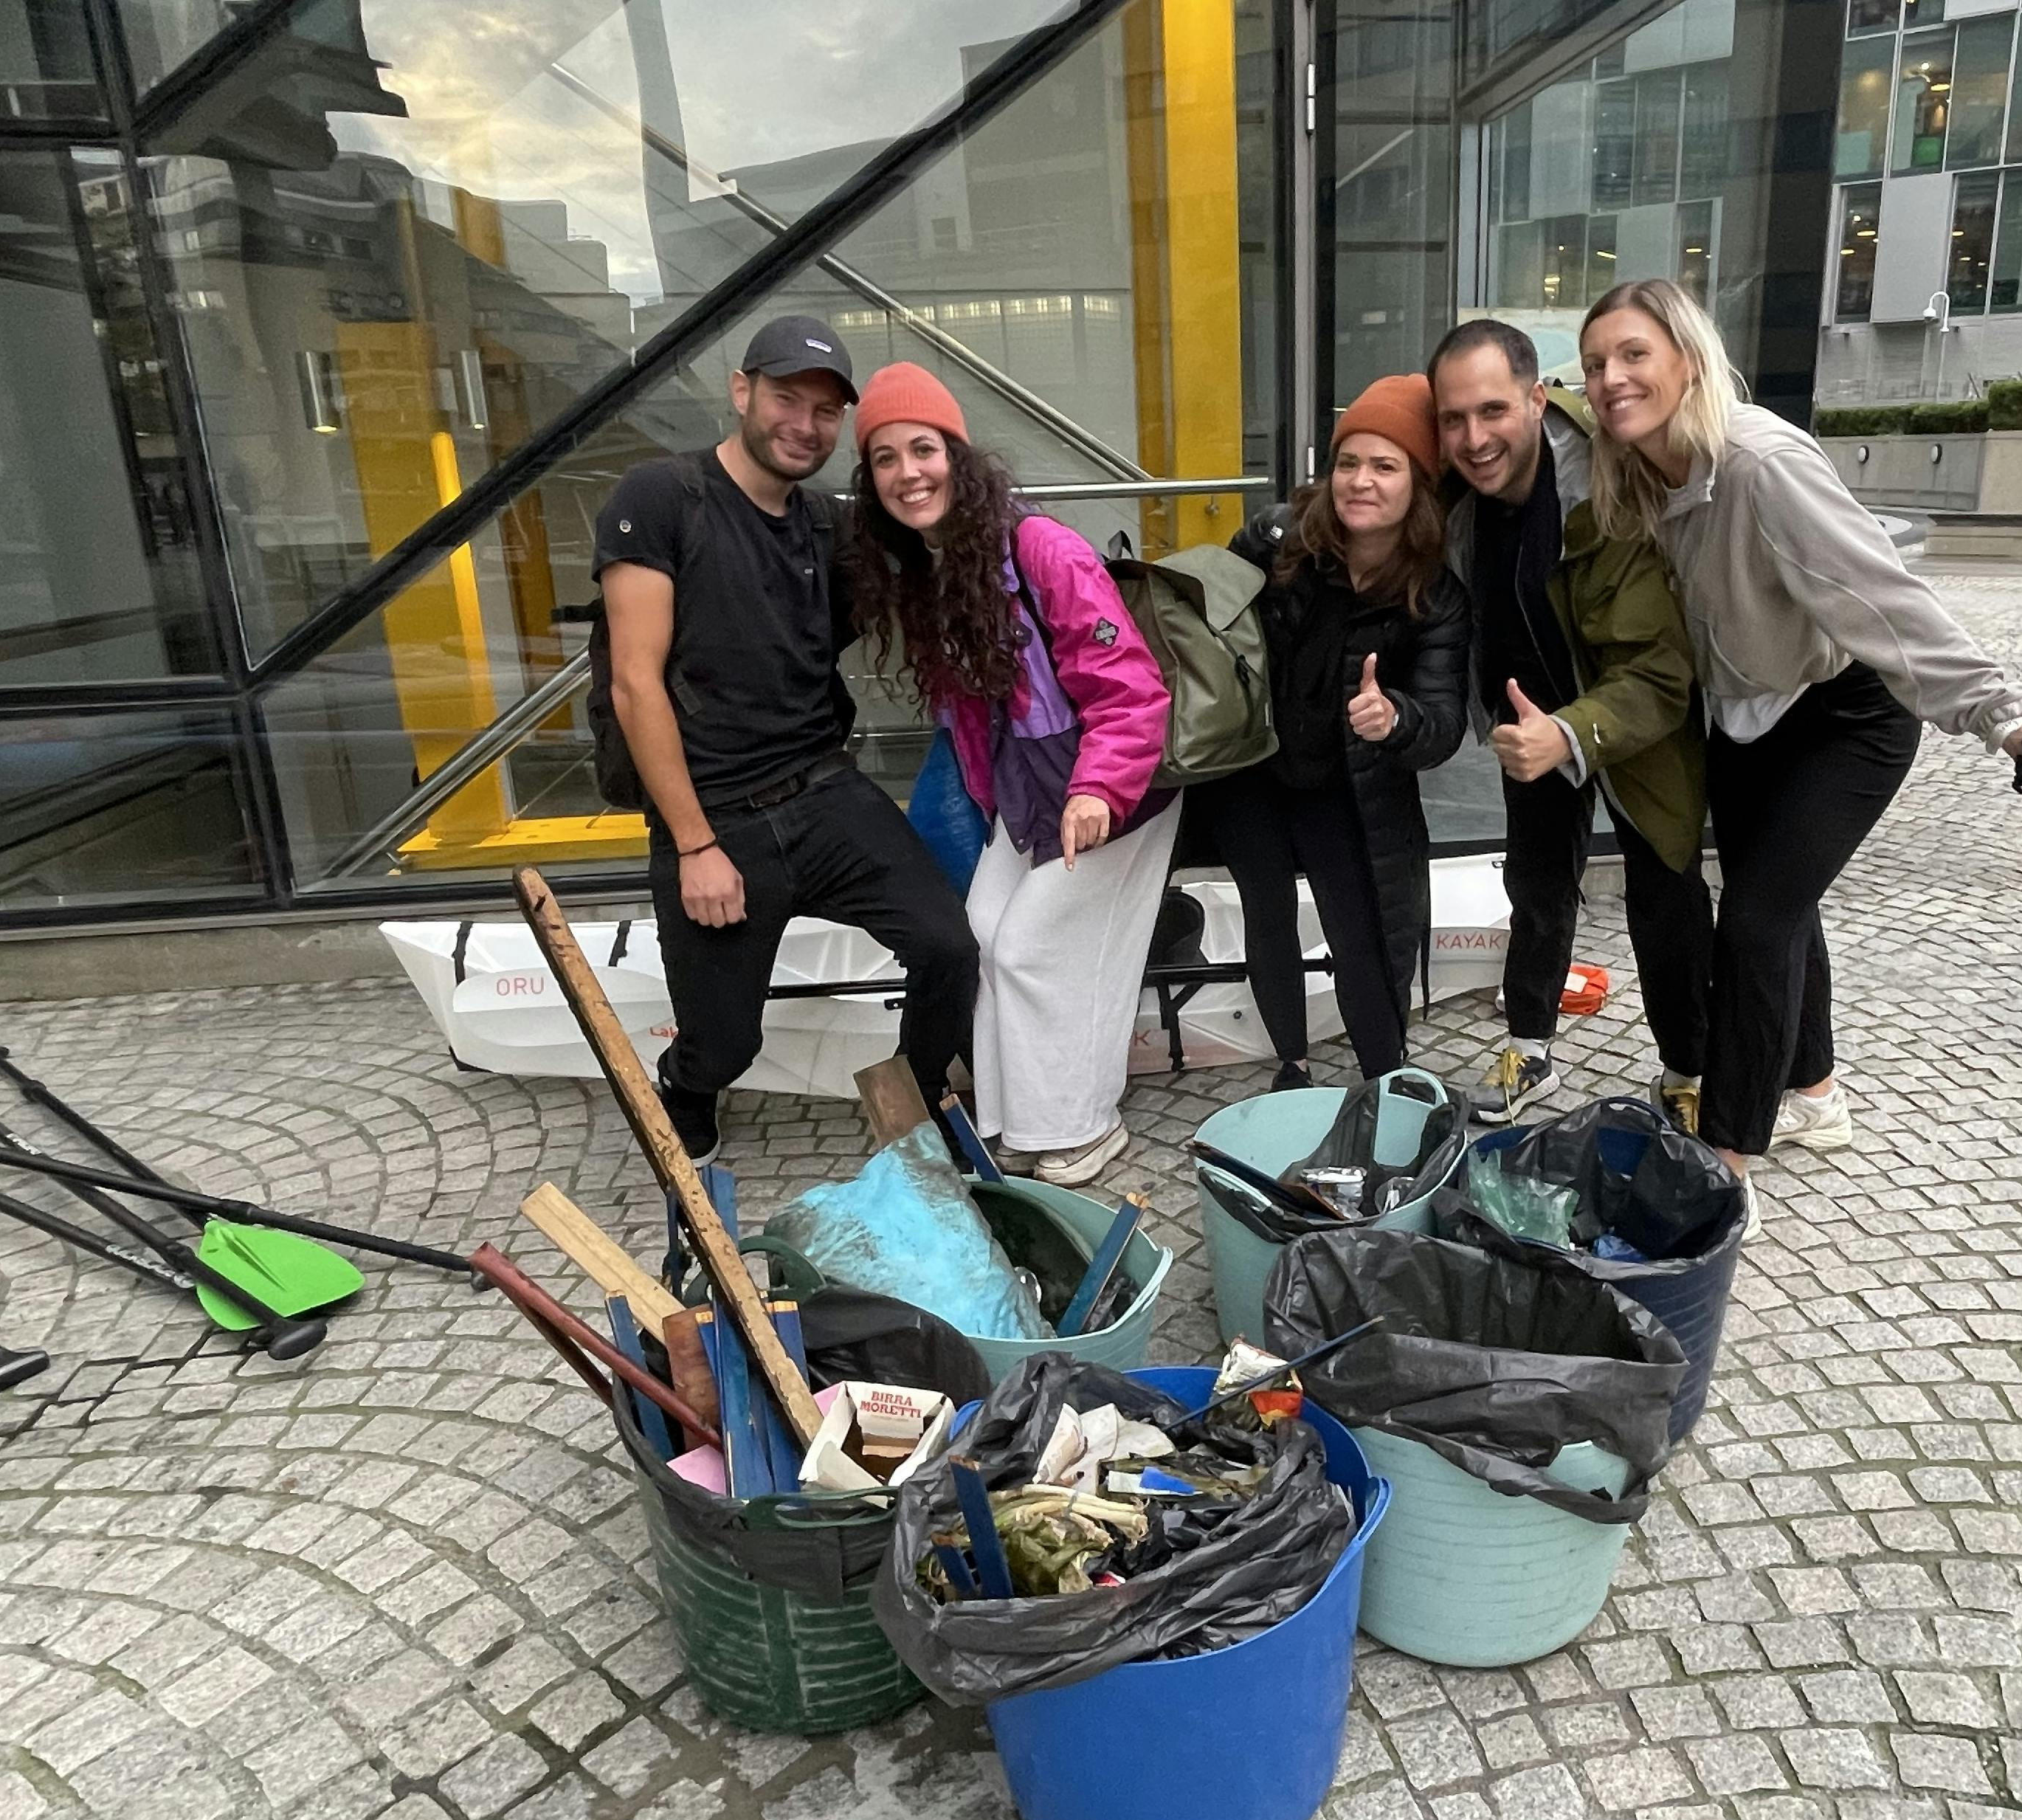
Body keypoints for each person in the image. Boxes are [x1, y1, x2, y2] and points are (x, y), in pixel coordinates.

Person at [1576, 278, 2022, 1180]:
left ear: (1687, 361)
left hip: (1845, 716)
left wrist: (2018, 733)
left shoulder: (1760, 464)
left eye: (1632, 354)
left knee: (1753, 926)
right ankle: (1814, 1097)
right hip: (1745, 719)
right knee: (1780, 909)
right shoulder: (1638, 480)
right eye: (1593, 364)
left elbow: (1888, 603)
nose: (1611, 377)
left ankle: (1725, 1160)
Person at [593, 316, 978, 1160]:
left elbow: (938, 546)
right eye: (785, 399)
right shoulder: (662, 499)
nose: (805, 425)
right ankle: (686, 1084)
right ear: (741, 392)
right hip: (714, 815)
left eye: (825, 411)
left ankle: (911, 1105)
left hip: (823, 791)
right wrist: (694, 846)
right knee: (726, 1046)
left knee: (948, 947)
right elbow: (634, 684)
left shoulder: (829, 526)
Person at [843, 362, 1174, 1187]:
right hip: (1033, 792)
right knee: (986, 933)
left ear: (957, 455)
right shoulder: (932, 570)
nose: (907, 472)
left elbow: (1128, 686)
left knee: (1032, 945)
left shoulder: (1040, 548)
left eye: (923, 448)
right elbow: (974, 718)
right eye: (885, 457)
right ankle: (1019, 1122)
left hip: (1112, 786)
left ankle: (1084, 1127)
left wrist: (1098, 788)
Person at [1429, 320, 1716, 1128]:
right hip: (1529, 728)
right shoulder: (1457, 497)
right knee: (1536, 887)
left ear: (1535, 398)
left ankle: (1689, 1072)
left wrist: (1572, 732)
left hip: (1632, 727)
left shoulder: (1608, 491)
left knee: (1665, 898)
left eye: (1492, 411)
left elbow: (1659, 670)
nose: (1474, 438)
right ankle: (1530, 1048)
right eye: (1454, 419)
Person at [1189, 375, 1470, 1088]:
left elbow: (1443, 723)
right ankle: (1292, 1061)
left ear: (1418, 485)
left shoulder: (1435, 593)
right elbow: (1213, 628)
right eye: (1349, 462)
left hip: (1348, 780)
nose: (1361, 481)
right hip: (1249, 766)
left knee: (1360, 932)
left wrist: (1395, 717)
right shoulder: (1277, 538)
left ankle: (1385, 1077)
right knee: (1267, 910)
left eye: (1385, 466)